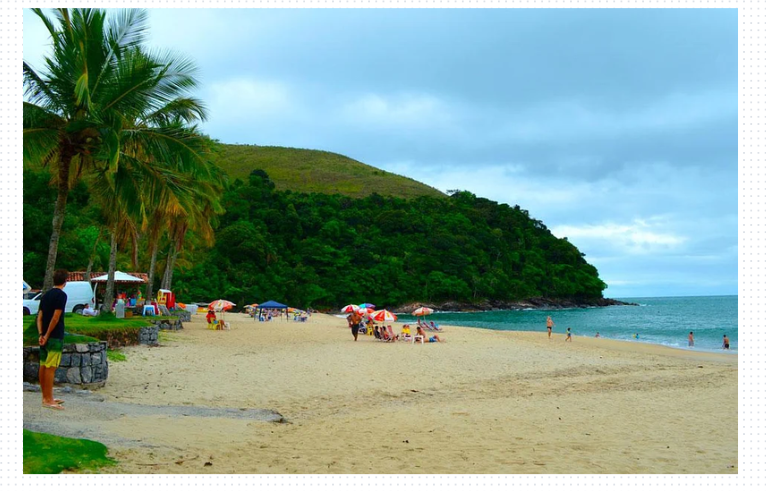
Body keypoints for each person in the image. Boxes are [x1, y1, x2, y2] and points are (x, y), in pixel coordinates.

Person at [36, 269, 68, 410]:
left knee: (43, 365)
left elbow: (40, 317)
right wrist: (48, 334)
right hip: (54, 336)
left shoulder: (46, 295)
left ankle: (46, 397)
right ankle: (48, 399)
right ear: (65, 282)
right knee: (50, 367)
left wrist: (41, 334)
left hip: (44, 335)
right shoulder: (61, 296)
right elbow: (56, 317)